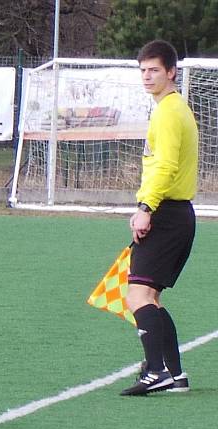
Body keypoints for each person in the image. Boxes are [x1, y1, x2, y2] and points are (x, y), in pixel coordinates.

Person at [120, 40, 198, 397]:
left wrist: (145, 208)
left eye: (154, 70)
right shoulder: (175, 108)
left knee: (137, 295)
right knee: (150, 294)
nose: (147, 76)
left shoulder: (168, 111)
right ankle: (174, 374)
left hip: (166, 212)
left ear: (171, 72)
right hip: (177, 214)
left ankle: (156, 372)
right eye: (143, 70)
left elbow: (165, 166)